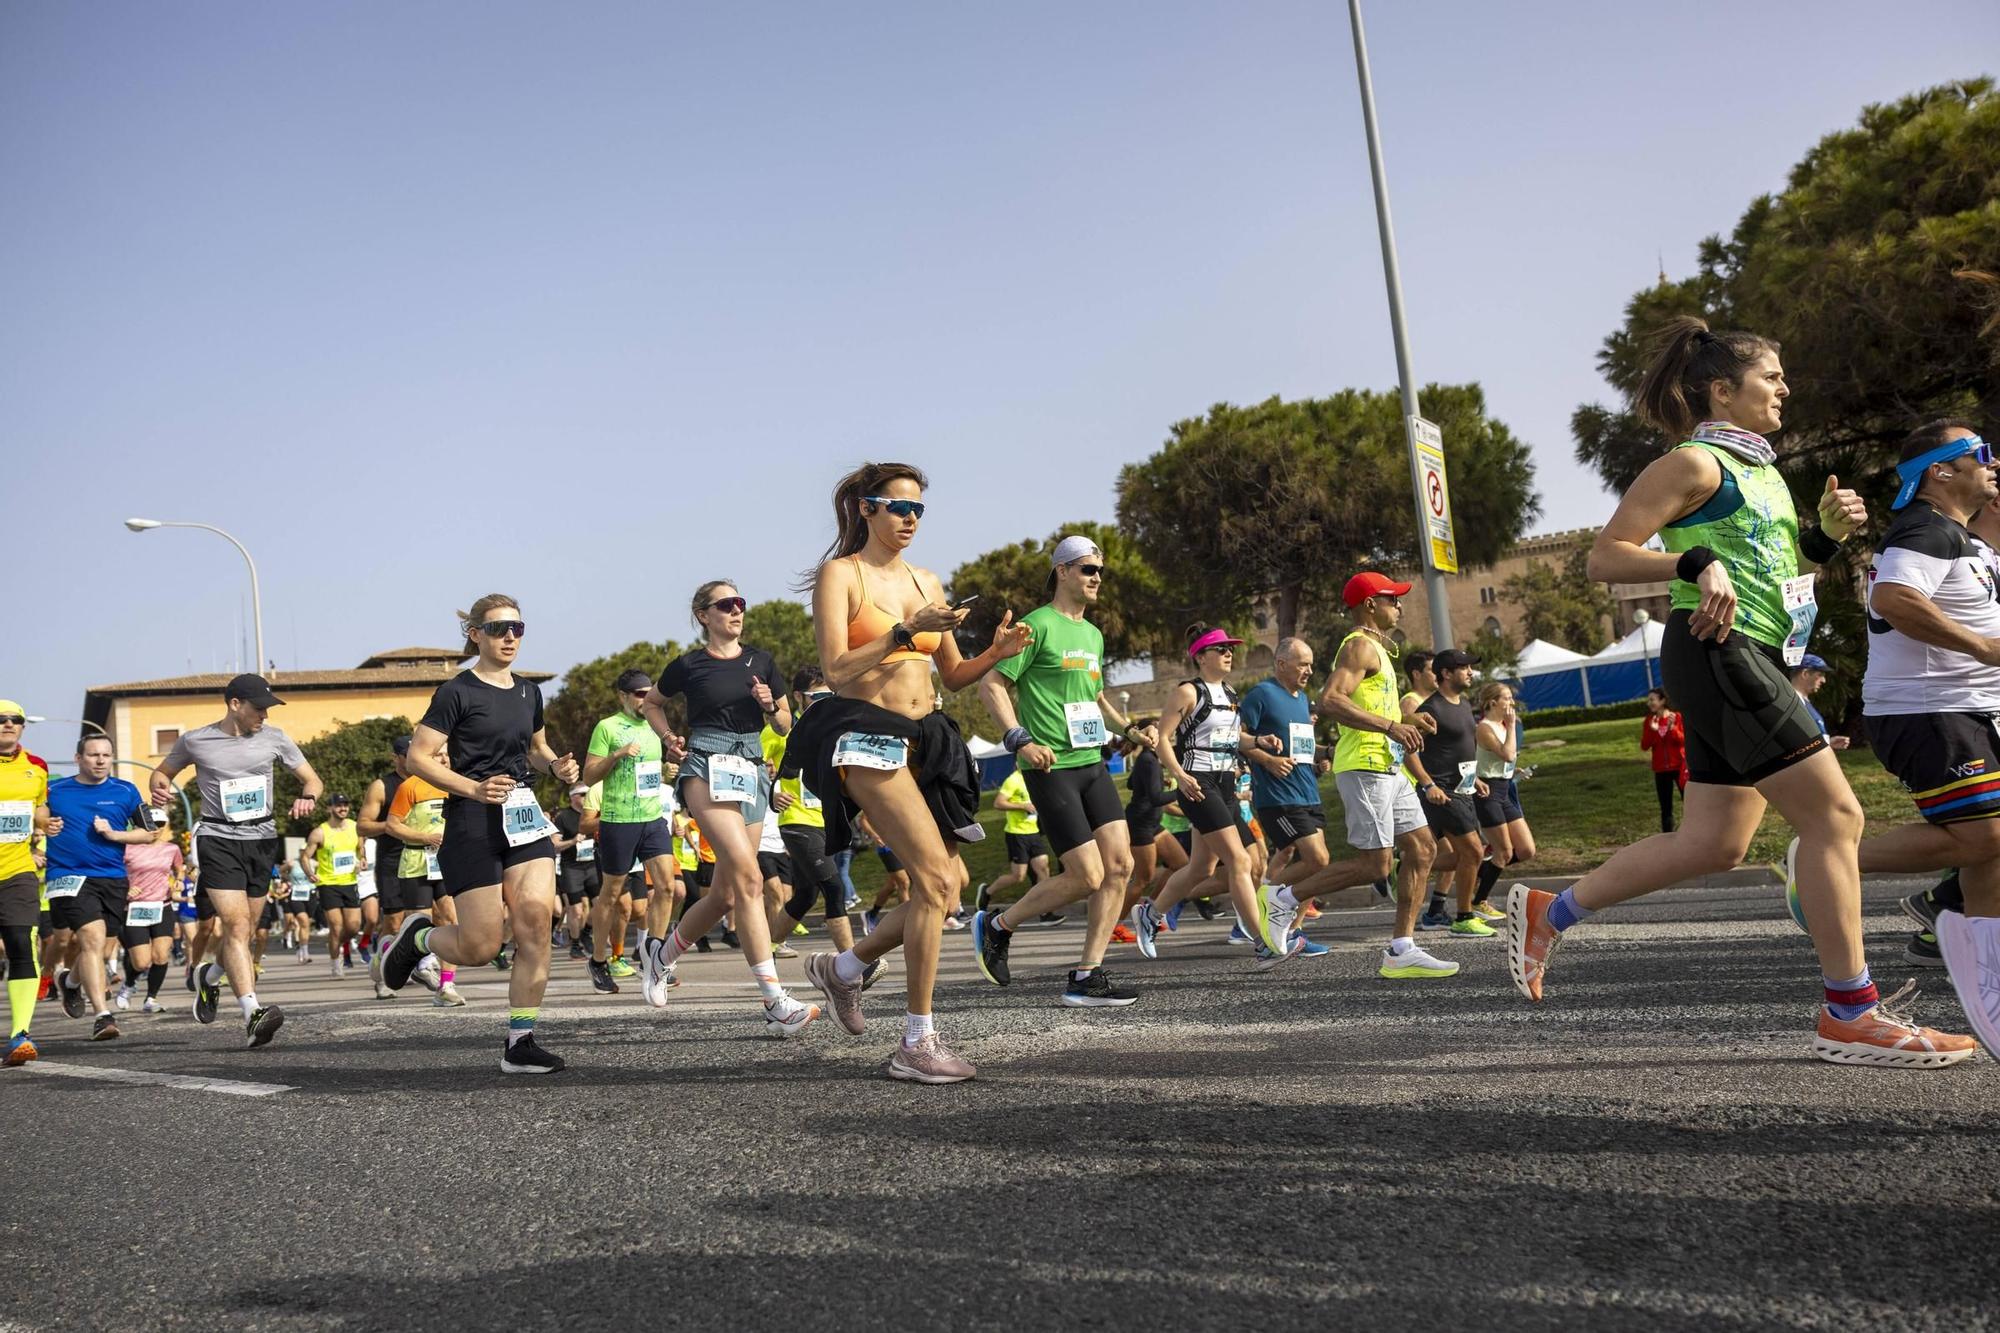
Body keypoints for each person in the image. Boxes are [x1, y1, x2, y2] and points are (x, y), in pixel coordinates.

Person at [1506, 317, 1972, 1067]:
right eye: (1771, 377)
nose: (1786, 387)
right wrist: (1690, 561)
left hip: (1754, 649)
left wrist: (1821, 537)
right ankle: (1850, 1012)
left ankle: (1549, 910)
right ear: (1722, 390)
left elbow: (1779, 575)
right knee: (1837, 815)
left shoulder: (1765, 475)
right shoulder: (1692, 462)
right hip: (1717, 649)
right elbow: (1605, 557)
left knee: (1715, 842)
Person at [786, 461, 1030, 1082]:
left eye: (918, 509)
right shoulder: (844, 575)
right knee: (928, 878)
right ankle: (916, 1044)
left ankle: (842, 969)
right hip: (866, 738)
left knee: (946, 888)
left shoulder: (928, 581)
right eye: (897, 507)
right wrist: (902, 631)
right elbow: (837, 670)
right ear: (866, 509)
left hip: (929, 737)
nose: (909, 519)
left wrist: (993, 655)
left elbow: (951, 674)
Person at [1841, 419, 2000, 1056]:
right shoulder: (1925, 528)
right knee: (1986, 836)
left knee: (1991, 852)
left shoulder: (1962, 538)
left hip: (1965, 711)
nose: (1993, 461)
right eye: (1981, 454)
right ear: (1940, 469)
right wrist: (1983, 646)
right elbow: (1894, 598)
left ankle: (1985, 967)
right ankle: (1827, 864)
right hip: (1929, 709)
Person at [378, 595, 578, 1072]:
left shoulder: (529, 692)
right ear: (475, 635)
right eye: (498, 628)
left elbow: (536, 747)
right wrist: (473, 787)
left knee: (535, 920)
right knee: (480, 946)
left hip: (522, 814)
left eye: (518, 628)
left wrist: (555, 765)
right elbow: (421, 757)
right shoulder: (457, 691)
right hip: (471, 819)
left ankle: (520, 1042)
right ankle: (418, 938)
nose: (510, 637)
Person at [974, 534, 1149, 1005]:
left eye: (1101, 571)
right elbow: (991, 685)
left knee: (1121, 866)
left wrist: (1127, 730)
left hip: (1092, 762)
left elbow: (1091, 693)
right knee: (1087, 876)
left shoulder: (1092, 634)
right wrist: (1020, 738)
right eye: (1089, 569)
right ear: (1064, 571)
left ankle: (1086, 976)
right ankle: (997, 924)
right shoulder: (1037, 626)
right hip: (1051, 767)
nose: (1097, 578)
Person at [637, 584, 819, 1034]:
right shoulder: (688, 665)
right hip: (705, 764)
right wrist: (666, 738)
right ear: (703, 615)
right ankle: (775, 999)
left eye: (741, 603)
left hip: (752, 767)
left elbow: (784, 721)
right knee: (751, 877)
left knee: (725, 895)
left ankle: (660, 955)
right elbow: (652, 705)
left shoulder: (761, 661)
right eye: (726, 604)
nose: (736, 611)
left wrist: (768, 706)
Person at [1259, 573, 1453, 977]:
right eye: (1391, 599)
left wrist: (1409, 719)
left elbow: (1377, 710)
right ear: (1369, 605)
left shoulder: (1379, 651)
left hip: (1388, 764)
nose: (1398, 605)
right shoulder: (1360, 645)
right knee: (1374, 866)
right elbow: (1330, 700)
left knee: (1422, 850)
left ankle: (1402, 948)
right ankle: (1284, 896)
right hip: (1364, 766)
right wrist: (1390, 727)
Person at [151, 674, 320, 1048]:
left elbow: (312, 779)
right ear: (234, 704)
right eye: (258, 708)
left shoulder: (275, 738)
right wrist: (158, 786)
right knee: (236, 923)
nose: (264, 714)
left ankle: (208, 979)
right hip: (217, 838)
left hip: (261, 840)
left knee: (246, 931)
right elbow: (163, 772)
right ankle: (252, 1013)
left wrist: (307, 796)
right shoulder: (195, 740)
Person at [1130, 624, 1281, 962]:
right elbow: (1164, 738)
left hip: (1225, 784)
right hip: (1199, 784)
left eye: (1230, 648)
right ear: (1200, 656)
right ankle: (1262, 943)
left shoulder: (1229, 692)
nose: (1229, 653)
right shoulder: (1187, 692)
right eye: (1221, 649)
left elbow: (1233, 738)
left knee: (1202, 868)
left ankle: (1151, 914)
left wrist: (1258, 741)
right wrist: (1180, 775)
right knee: (1241, 860)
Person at [579, 669, 683, 1006]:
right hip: (617, 820)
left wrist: (669, 766)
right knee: (611, 894)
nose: (645, 699)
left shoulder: (656, 725)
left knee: (667, 886)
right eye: (638, 694)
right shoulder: (607, 727)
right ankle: (597, 960)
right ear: (622, 696)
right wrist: (616, 755)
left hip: (652, 818)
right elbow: (589, 774)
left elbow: (656, 768)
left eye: (648, 692)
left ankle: (654, 954)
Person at [1231, 638, 1337, 957]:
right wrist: (1267, 761)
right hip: (1277, 794)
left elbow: (1300, 745)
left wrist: (1325, 753)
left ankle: (1293, 932)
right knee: (1317, 859)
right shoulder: (1262, 694)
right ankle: (1266, 897)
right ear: (1281, 664)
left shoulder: (1303, 699)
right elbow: (1233, 735)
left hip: (1308, 790)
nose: (1309, 670)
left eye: (1310, 664)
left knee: (1314, 866)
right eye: (1302, 664)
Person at [44, 736, 152, 1038]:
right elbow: (35, 816)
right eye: (93, 755)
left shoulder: (126, 791)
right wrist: (40, 833)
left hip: (113, 877)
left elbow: (148, 834)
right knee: (91, 937)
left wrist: (114, 834)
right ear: (79, 758)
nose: (101, 760)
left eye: (106, 755)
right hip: (69, 875)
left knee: (102, 948)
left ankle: (70, 983)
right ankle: (103, 1015)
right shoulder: (55, 790)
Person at [763, 669, 862, 962]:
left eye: (828, 696)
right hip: (796, 820)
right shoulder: (780, 729)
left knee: (806, 895)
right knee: (834, 887)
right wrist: (771, 791)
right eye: (816, 696)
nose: (823, 702)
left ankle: (767, 949)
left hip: (824, 821)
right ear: (797, 697)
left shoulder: (831, 728)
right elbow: (752, 763)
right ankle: (853, 962)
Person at [1400, 649, 1498, 940]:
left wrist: (1475, 777)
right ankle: (1464, 917)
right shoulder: (1432, 709)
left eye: (1470, 667)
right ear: (1446, 673)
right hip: (1441, 792)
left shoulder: (1463, 704)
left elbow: (1458, 750)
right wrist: (1428, 785)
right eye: (1464, 668)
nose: (1470, 672)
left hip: (1463, 789)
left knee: (1454, 857)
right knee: (1474, 851)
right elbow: (1408, 752)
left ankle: (1399, 867)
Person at [1, 704, 55, 1063]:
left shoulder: (36, 767)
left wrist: (43, 830)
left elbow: (40, 810)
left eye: (14, 720)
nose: (8, 725)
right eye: (1, 720)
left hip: (19, 869)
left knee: (22, 942)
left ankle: (20, 1033)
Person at [385, 754, 456, 1004]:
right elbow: (392, 825)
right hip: (416, 862)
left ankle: (447, 985)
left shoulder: (456, 783)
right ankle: (399, 957)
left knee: (450, 920)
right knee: (420, 924)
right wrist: (423, 837)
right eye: (439, 754)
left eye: (448, 754)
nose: (445, 758)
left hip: (447, 861)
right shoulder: (411, 786)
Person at [1471, 681, 1532, 917]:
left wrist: (1514, 771)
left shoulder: (1503, 725)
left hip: (1504, 789)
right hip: (1487, 793)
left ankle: (1481, 870)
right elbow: (1507, 754)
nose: (1512, 703)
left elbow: (1507, 761)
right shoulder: (1485, 728)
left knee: (1526, 849)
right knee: (1504, 852)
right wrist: (1512, 725)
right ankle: (1479, 901)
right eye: (1507, 698)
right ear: (1492, 702)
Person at [119, 808, 182, 1013]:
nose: (155, 829)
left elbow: (178, 869)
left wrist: (178, 882)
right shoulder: (127, 848)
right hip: (134, 908)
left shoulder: (171, 849)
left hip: (162, 906)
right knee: (141, 962)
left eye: (160, 824)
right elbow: (114, 873)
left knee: (161, 956)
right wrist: (126, 888)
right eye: (150, 824)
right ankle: (129, 983)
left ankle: (151, 998)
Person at [300, 794, 367, 982]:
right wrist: (309, 873)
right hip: (328, 883)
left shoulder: (356, 827)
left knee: (353, 927)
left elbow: (361, 849)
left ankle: (335, 943)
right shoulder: (320, 832)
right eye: (338, 805)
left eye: (345, 805)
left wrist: (363, 860)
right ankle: (336, 962)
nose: (343, 808)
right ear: (329, 808)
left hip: (350, 882)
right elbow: (305, 856)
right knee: (336, 927)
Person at [980, 766, 1049, 911]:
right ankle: (987, 891)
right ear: (1018, 762)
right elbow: (998, 803)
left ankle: (1044, 910)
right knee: (1018, 876)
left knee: (1043, 869)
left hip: (1034, 831)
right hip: (1016, 833)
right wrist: (1023, 806)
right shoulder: (1013, 780)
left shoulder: (1034, 778)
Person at [550, 784, 601, 959]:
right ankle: (575, 943)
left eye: (588, 794)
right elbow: (555, 844)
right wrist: (572, 841)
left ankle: (586, 931)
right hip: (572, 867)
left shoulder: (594, 814)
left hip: (592, 865)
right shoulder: (563, 817)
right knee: (576, 910)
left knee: (601, 904)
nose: (586, 797)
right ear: (572, 797)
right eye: (582, 794)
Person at [1638, 689, 1687, 833]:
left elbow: (1684, 741)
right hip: (1661, 770)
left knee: (1689, 803)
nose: (1650, 703)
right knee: (1666, 808)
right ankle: (1668, 836)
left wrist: (1672, 729)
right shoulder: (1649, 721)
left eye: (1652, 699)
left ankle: (1691, 831)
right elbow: (1644, 746)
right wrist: (1653, 730)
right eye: (1649, 700)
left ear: (1662, 701)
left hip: (1678, 768)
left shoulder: (1676, 717)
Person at [1787, 655, 1850, 751]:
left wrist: (1829, 742)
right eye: (1820, 675)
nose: (1824, 680)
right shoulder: (1792, 703)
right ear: (1805, 674)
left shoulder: (1803, 702)